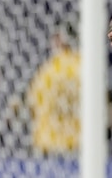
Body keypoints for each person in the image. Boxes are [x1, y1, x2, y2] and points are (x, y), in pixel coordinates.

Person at [27, 23, 80, 155]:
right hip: (77, 144)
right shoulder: (83, 66)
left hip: (48, 144)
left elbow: (32, 105)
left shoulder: (47, 70)